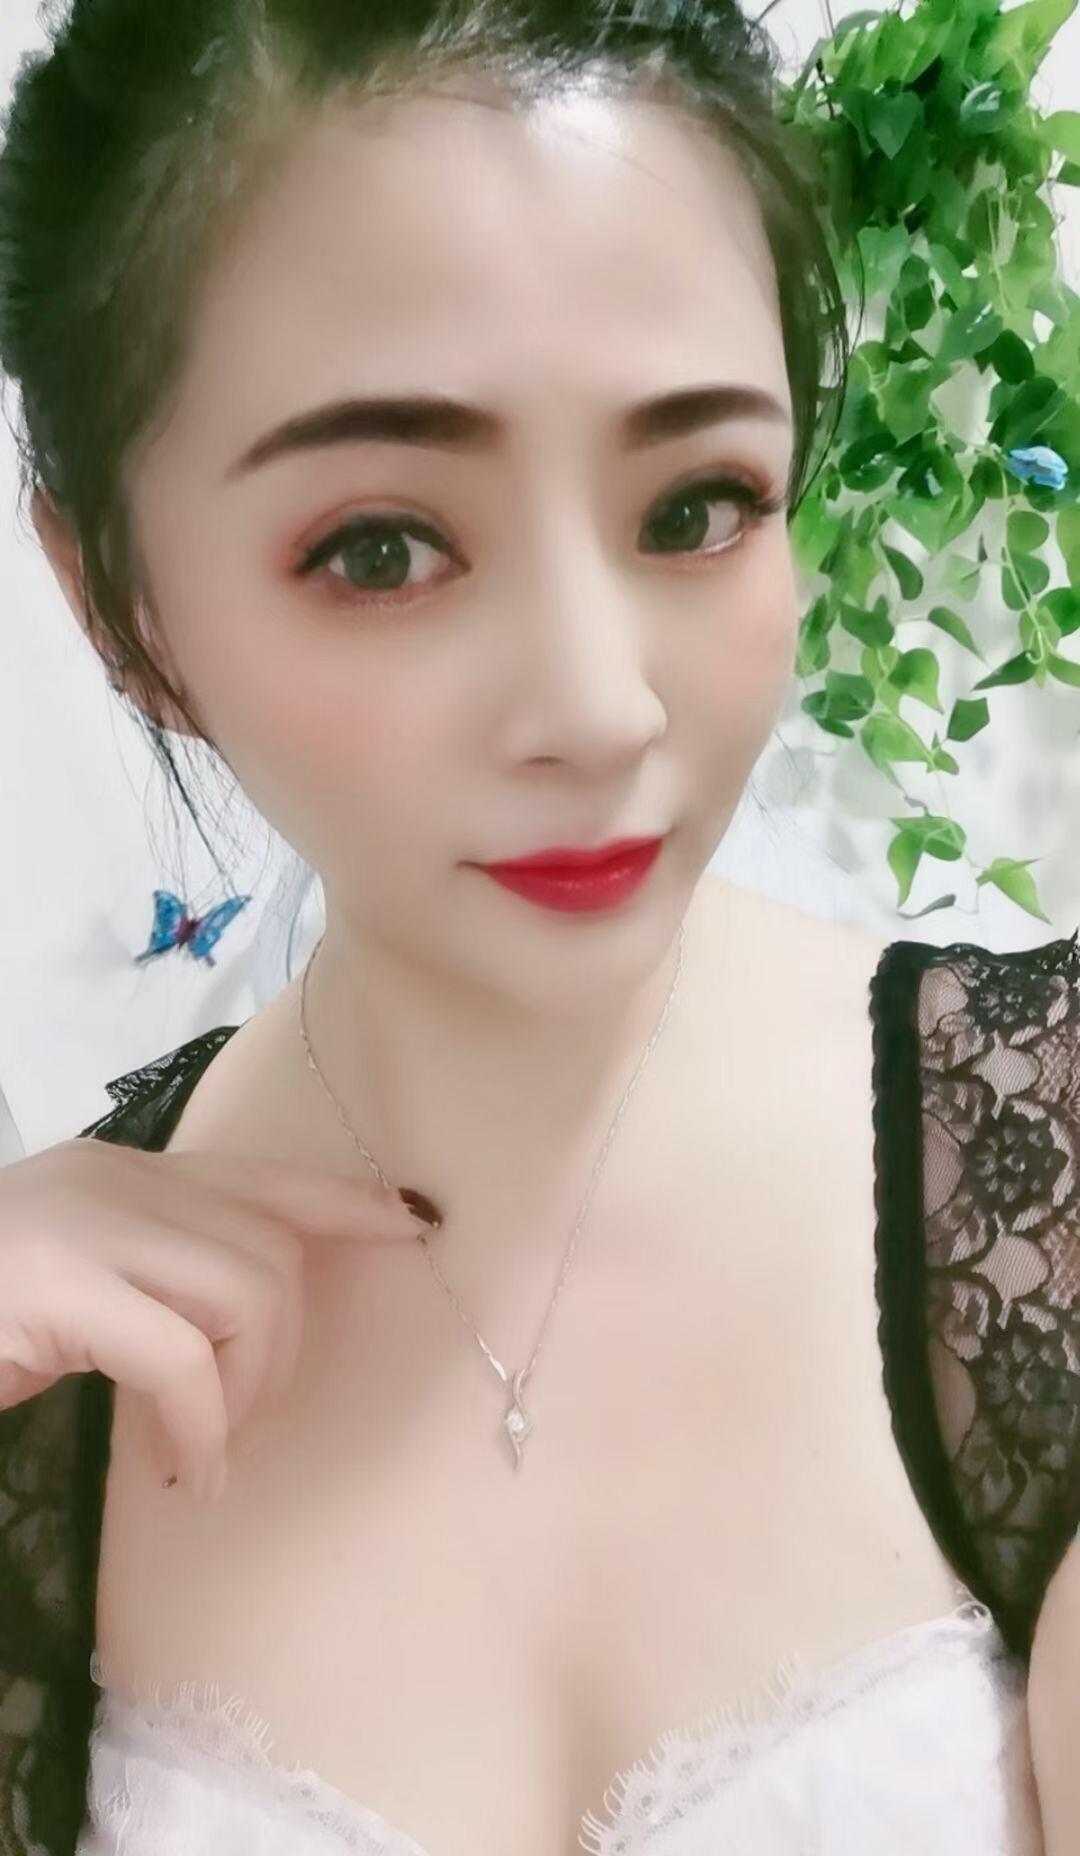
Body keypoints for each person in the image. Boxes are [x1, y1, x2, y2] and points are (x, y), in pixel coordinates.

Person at [0, 1, 1075, 1852]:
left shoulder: (1038, 1183)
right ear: (121, 607)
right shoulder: (52, 1380)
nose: (598, 708)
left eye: (697, 507)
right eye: (382, 548)